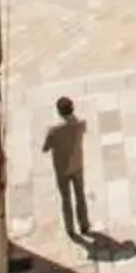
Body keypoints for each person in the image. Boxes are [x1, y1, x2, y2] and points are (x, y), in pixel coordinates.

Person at [44, 96, 90, 239]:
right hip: (77, 165)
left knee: (66, 199)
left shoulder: (54, 131)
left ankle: (70, 229)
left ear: (59, 111)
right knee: (80, 195)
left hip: (62, 169)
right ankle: (84, 224)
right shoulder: (81, 124)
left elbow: (46, 148)